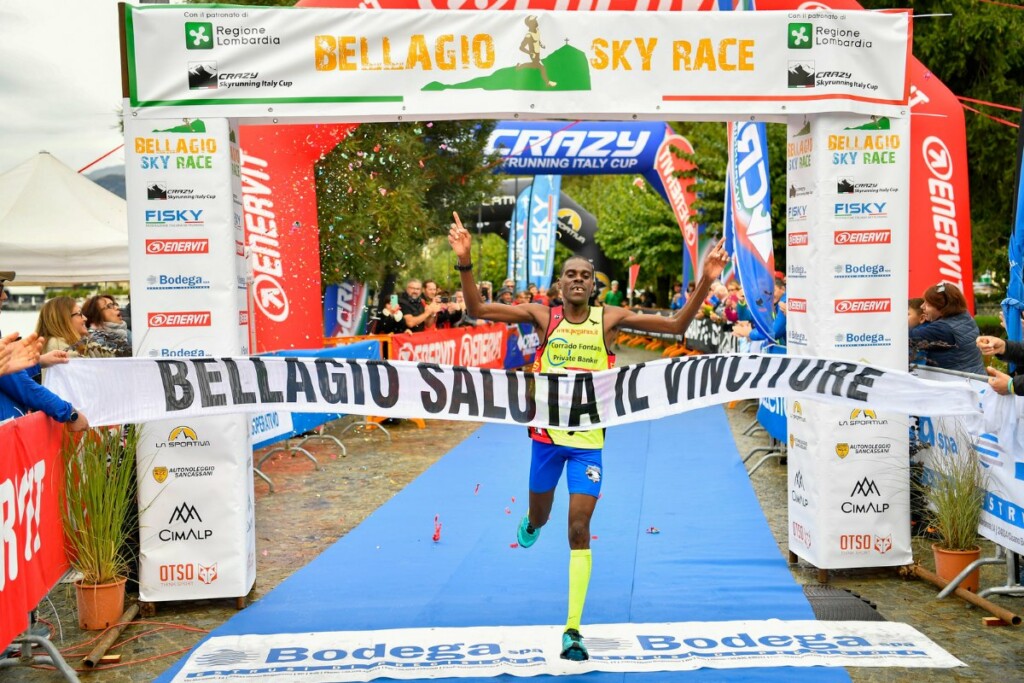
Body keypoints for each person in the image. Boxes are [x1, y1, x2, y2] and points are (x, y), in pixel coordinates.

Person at [447, 212, 728, 661]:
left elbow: (676, 326)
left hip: (587, 446)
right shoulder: (543, 316)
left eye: (585, 275)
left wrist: (707, 280)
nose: (578, 279)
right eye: (570, 275)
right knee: (540, 518)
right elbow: (477, 310)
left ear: (594, 285)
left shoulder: (609, 319)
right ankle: (532, 522)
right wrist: (465, 260)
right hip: (545, 442)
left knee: (579, 528)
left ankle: (573, 629)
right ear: (559, 285)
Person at [908, 282, 985, 374]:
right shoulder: (964, 316)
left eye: (928, 304)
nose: (922, 306)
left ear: (942, 307)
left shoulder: (942, 329)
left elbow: (907, 338)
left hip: (958, 380)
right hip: (974, 376)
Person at [516, 15, 556, 87]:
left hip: (538, 53)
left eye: (535, 20)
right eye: (534, 21)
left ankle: (520, 66)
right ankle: (548, 83)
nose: (536, 21)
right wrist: (530, 53)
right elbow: (521, 47)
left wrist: (541, 44)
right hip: (533, 54)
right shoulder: (529, 35)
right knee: (541, 67)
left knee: (534, 66)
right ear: (530, 24)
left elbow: (538, 39)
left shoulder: (537, 30)